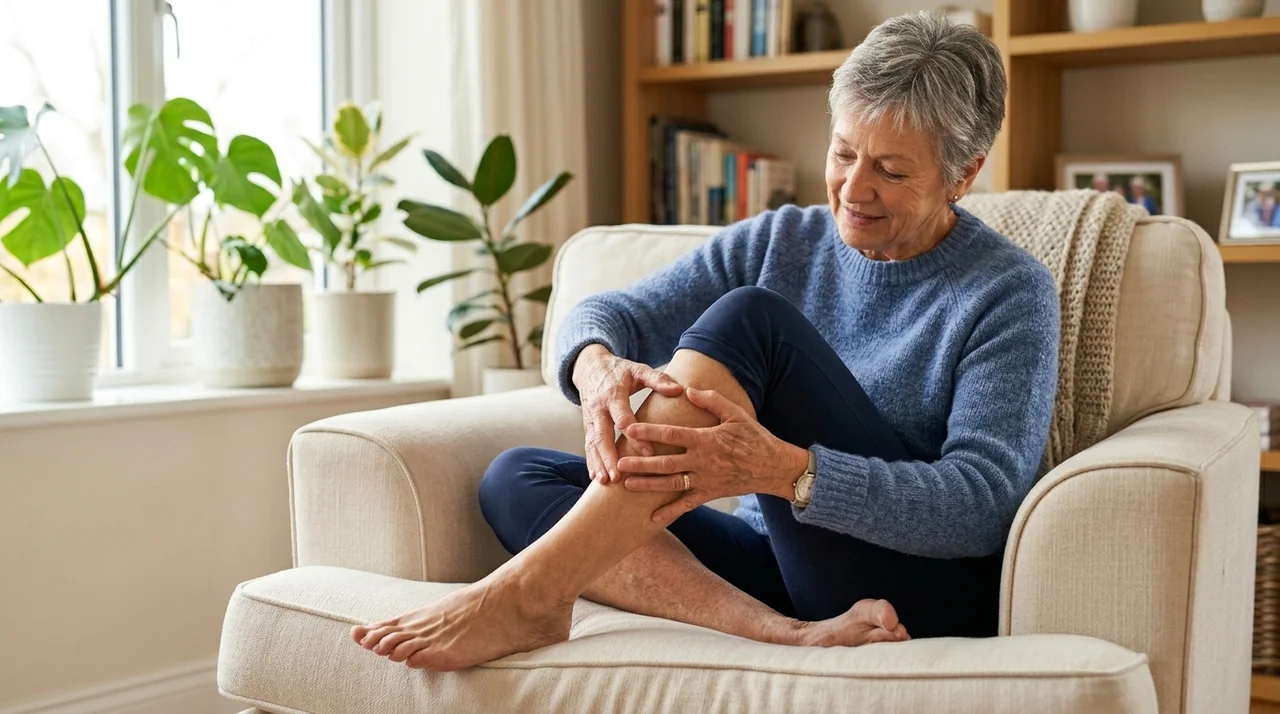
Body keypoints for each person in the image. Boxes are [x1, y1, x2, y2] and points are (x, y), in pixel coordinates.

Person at [350, 12, 1060, 672]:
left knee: (753, 319)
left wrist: (786, 471)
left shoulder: (1009, 291)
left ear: (963, 174)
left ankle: (529, 592)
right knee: (518, 478)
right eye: (843, 153)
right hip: (778, 567)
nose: (852, 188)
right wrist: (596, 368)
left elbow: (981, 503)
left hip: (914, 588)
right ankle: (784, 633)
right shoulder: (785, 239)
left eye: (891, 171)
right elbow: (608, 313)